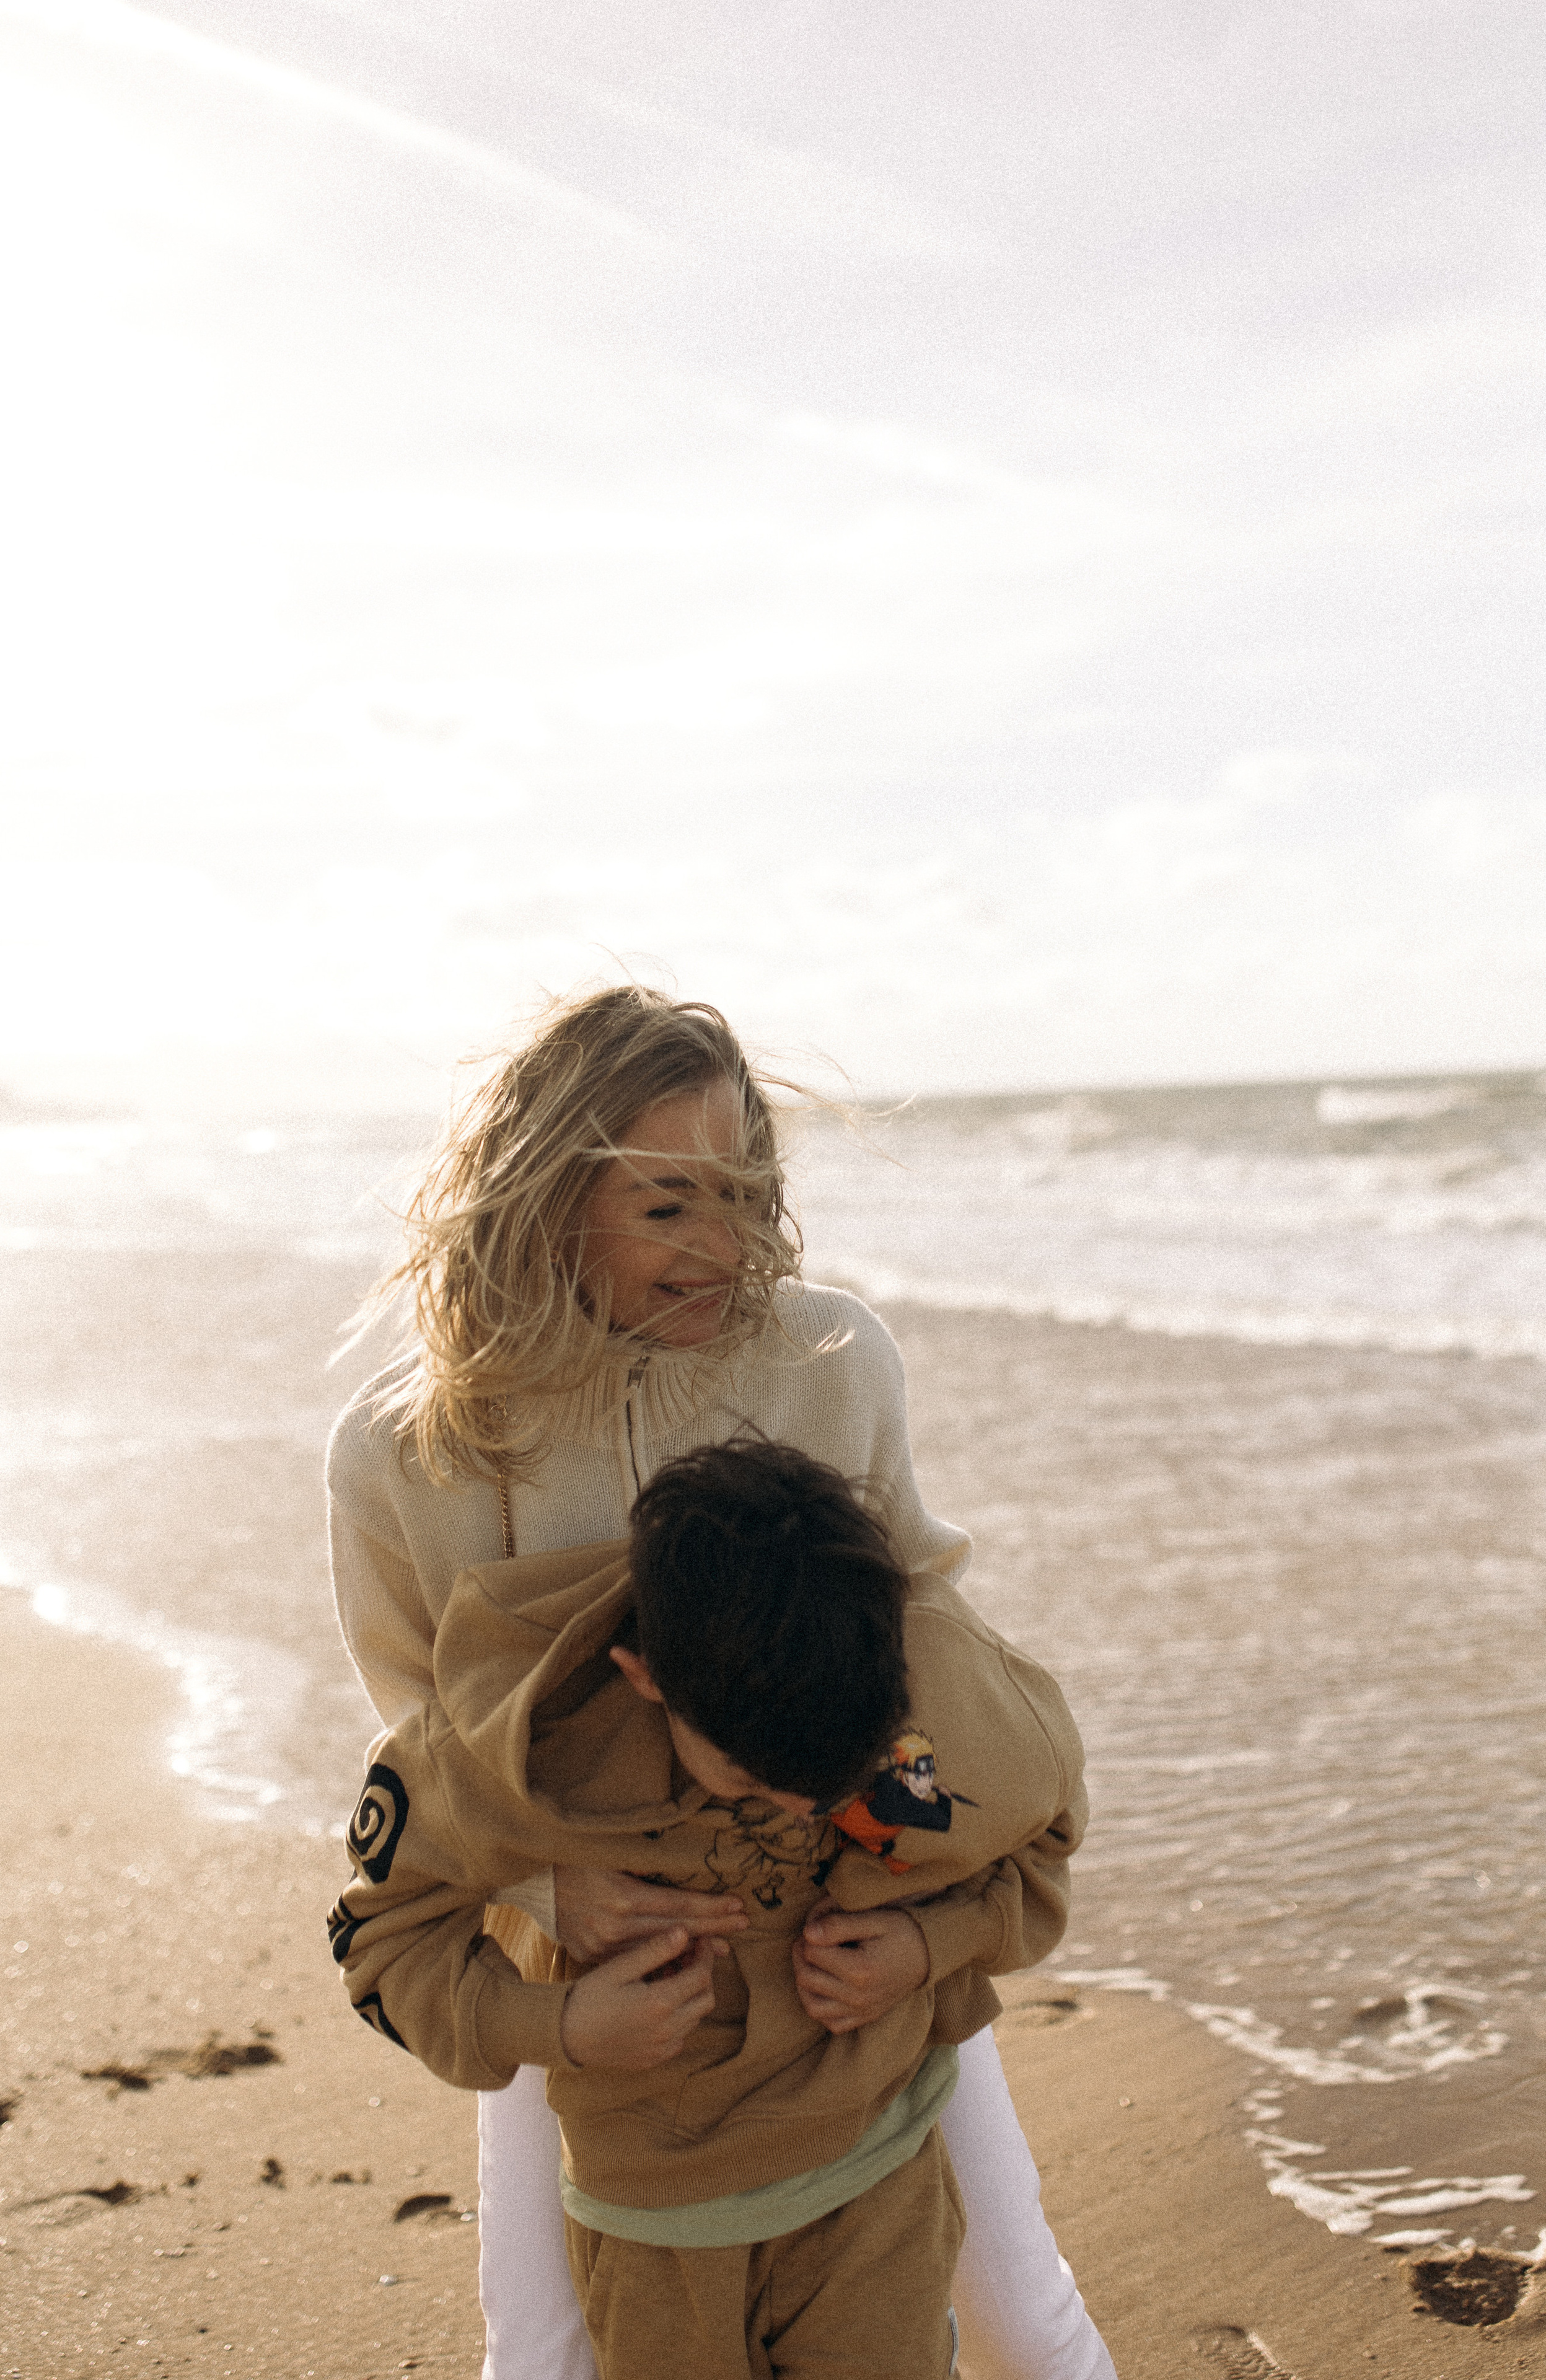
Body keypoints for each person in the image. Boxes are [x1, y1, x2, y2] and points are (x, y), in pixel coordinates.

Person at [327, 982, 1114, 2380]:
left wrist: (909, 1909)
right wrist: (536, 1903)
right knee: (549, 2346)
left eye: (747, 1195)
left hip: (843, 1926)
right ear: (545, 1194)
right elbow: (421, 1733)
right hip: (582, 1949)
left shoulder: (830, 1357)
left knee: (1016, 2300)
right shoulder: (410, 1448)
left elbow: (923, 1639)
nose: (725, 1247)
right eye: (669, 1204)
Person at [330, 1440, 1091, 2380]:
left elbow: (1046, 1843)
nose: (809, 1811)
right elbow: (377, 1939)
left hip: (878, 2177)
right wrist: (560, 2022)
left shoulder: (938, 1688)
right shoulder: (515, 1752)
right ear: (645, 1675)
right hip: (656, 2223)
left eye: (835, 1780)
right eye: (755, 1777)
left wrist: (932, 1943)